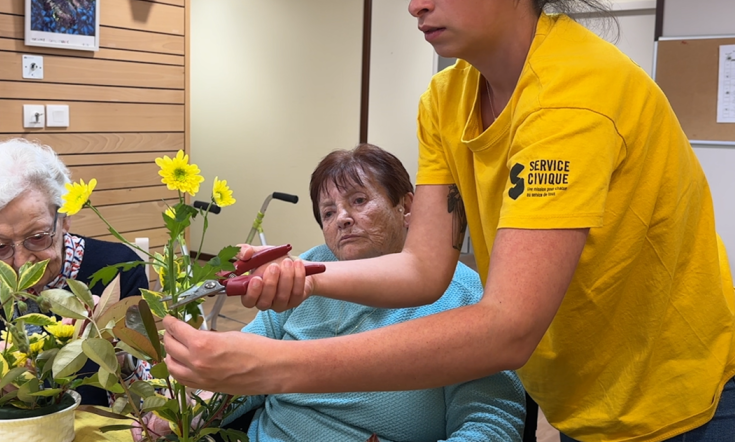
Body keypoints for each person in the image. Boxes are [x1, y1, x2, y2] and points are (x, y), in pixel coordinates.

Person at [160, 0, 735, 441]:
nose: (417, 1)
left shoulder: (573, 97)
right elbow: (424, 269)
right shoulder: (446, 100)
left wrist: (276, 367)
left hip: (682, 393)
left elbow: (507, 328)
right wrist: (305, 275)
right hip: (584, 391)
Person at [223, 144, 525, 441]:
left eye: (358, 200)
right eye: (328, 213)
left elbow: (490, 423)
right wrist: (193, 410)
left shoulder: (461, 294)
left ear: (406, 207)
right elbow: (244, 367)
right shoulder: (303, 271)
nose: (342, 218)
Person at [0, 138, 148, 408]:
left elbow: (153, 388)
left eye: (37, 237)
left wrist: (120, 354)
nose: (21, 262)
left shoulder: (117, 270)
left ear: (64, 218)